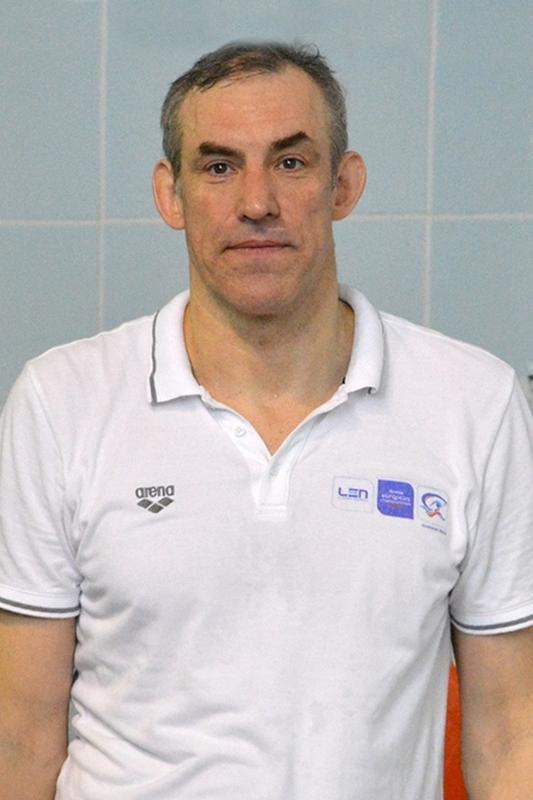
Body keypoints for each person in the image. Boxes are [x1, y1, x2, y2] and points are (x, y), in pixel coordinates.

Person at [0, 41, 532, 800]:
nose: (256, 202)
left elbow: (511, 731)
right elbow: (19, 734)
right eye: (218, 167)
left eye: (290, 162)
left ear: (343, 185)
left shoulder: (474, 403)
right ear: (171, 195)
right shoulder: (61, 403)